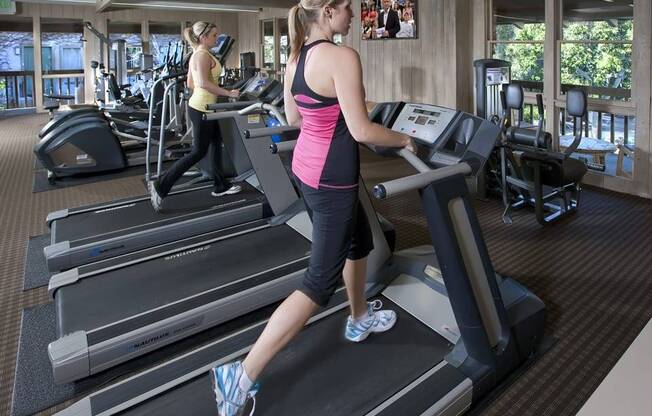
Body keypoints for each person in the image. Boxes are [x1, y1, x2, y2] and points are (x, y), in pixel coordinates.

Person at [209, 0, 414, 415]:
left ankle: (358, 317)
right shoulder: (342, 56)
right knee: (318, 283)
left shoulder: (296, 58)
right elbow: (359, 129)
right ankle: (242, 375)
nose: (353, 16)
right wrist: (406, 140)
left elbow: (295, 116)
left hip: (305, 167)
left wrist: (335, 110)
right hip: (333, 178)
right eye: (347, 9)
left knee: (359, 243)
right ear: (327, 12)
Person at [149, 21, 241, 211]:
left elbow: (190, 83)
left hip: (206, 107)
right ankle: (161, 185)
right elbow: (202, 83)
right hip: (202, 109)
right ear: (204, 37)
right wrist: (228, 93)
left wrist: (214, 90)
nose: (217, 38)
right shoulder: (201, 55)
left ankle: (220, 185)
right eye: (214, 36)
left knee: (216, 143)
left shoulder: (199, 54)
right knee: (198, 151)